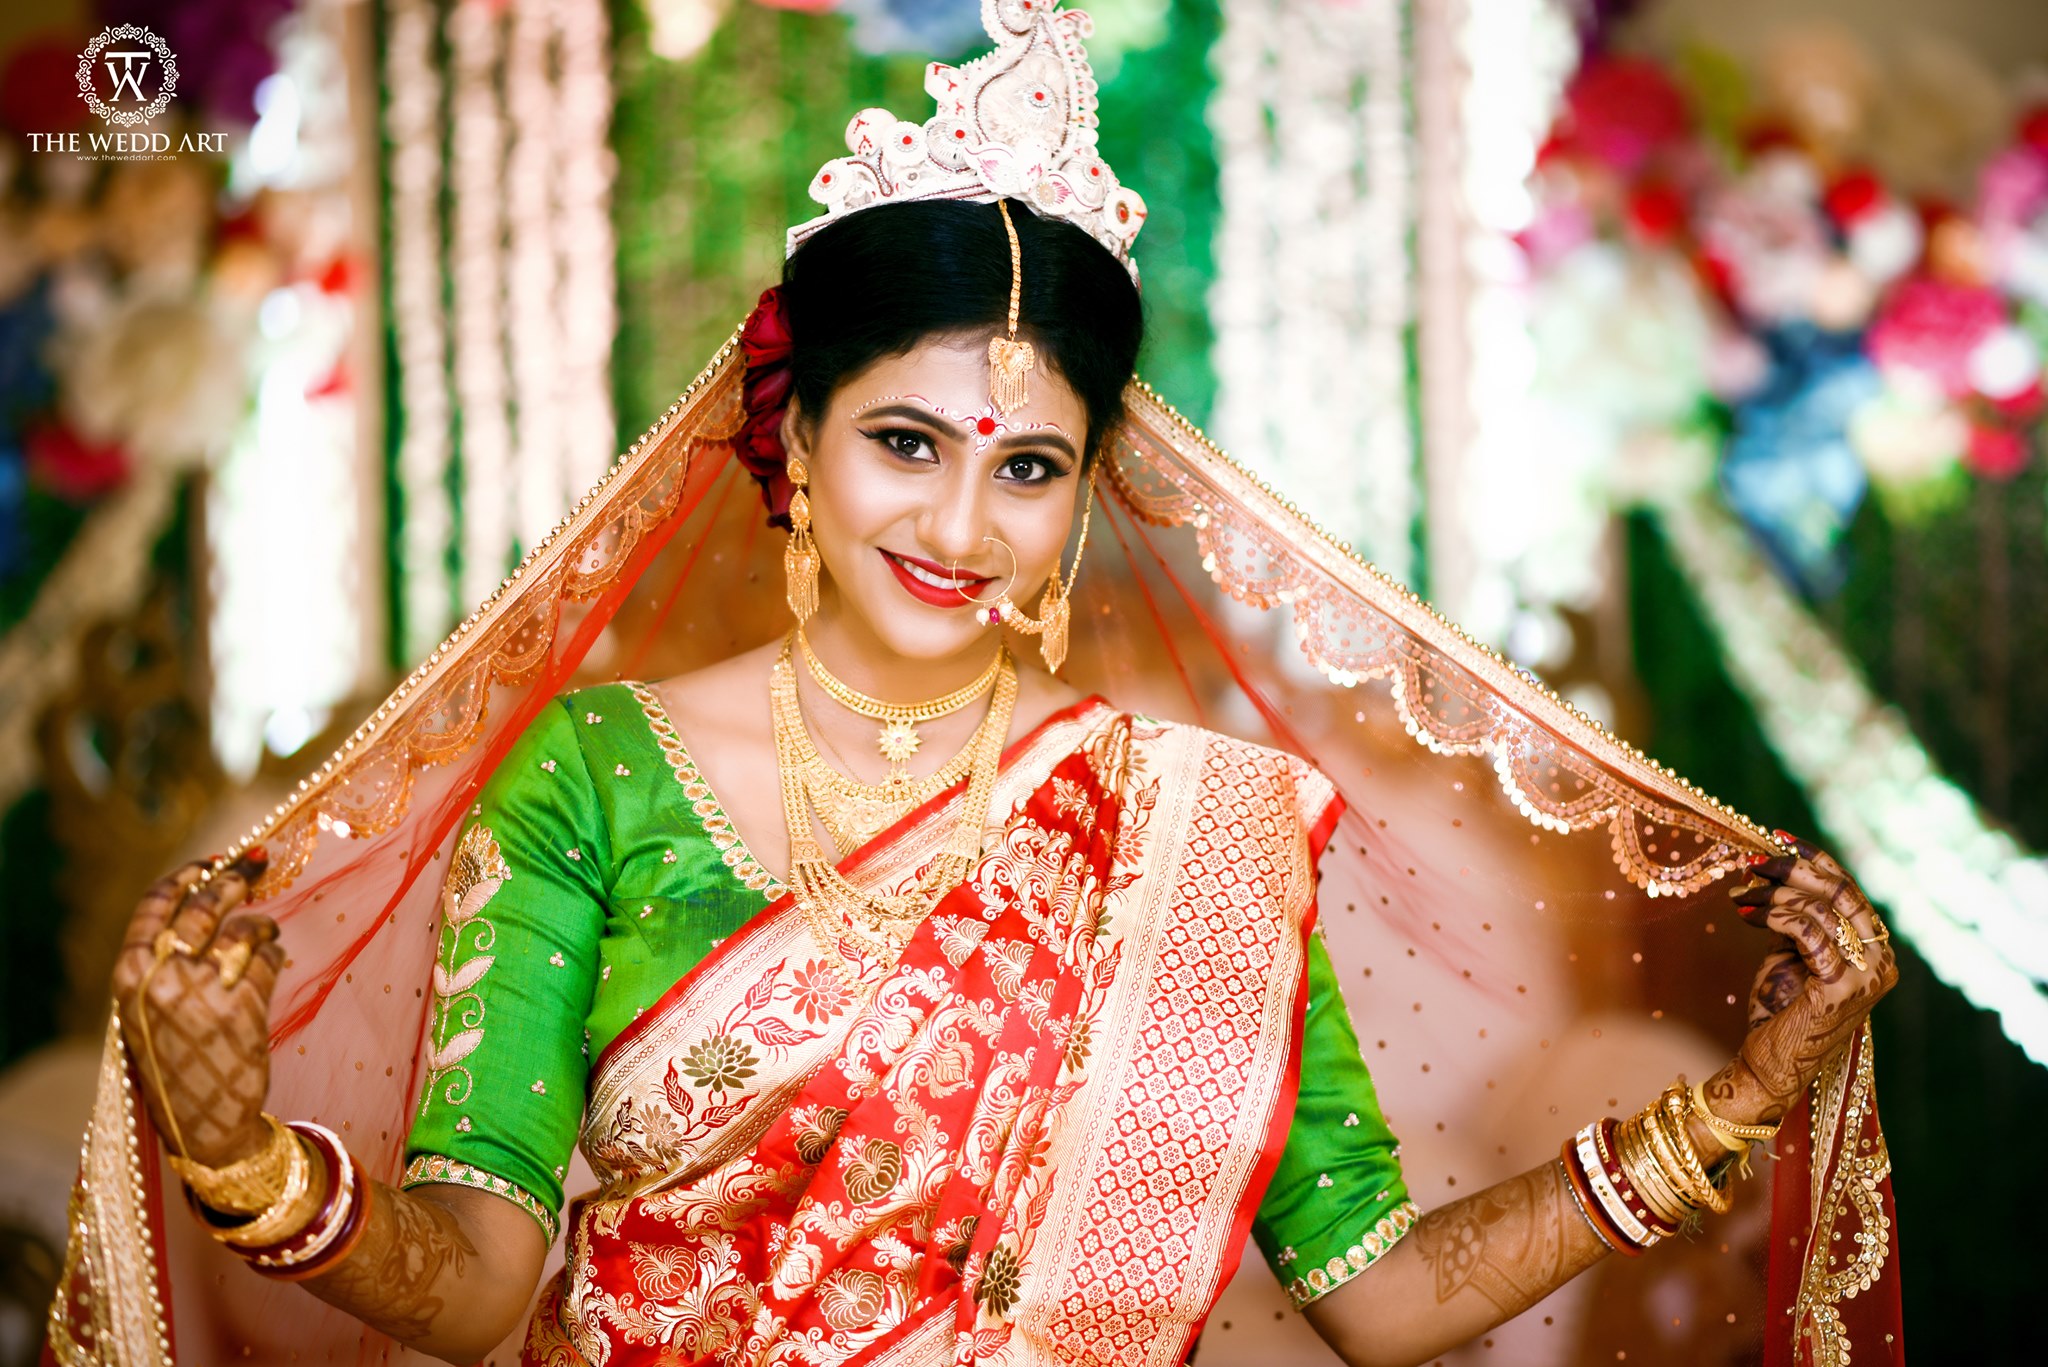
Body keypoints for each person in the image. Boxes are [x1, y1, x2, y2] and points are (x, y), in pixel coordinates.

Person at [55, 5, 1900, 1365]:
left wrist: (1734, 1103)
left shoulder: (1203, 832)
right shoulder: (596, 775)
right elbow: (468, 1287)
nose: (961, 519)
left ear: (1090, 492)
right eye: (907, 443)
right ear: (796, 440)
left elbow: (1385, 1301)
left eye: (1028, 466)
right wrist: (240, 1160)